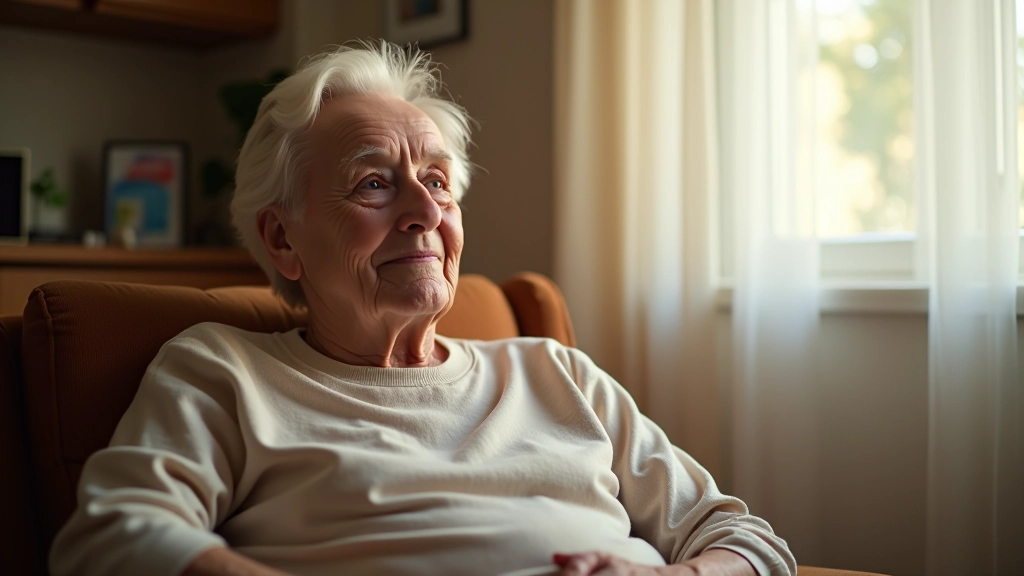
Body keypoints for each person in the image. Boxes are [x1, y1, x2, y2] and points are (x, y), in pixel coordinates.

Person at [50, 42, 797, 576]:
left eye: (438, 182)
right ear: (283, 240)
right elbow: (114, 537)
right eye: (374, 183)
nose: (423, 211)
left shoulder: (555, 373)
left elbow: (745, 537)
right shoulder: (224, 371)